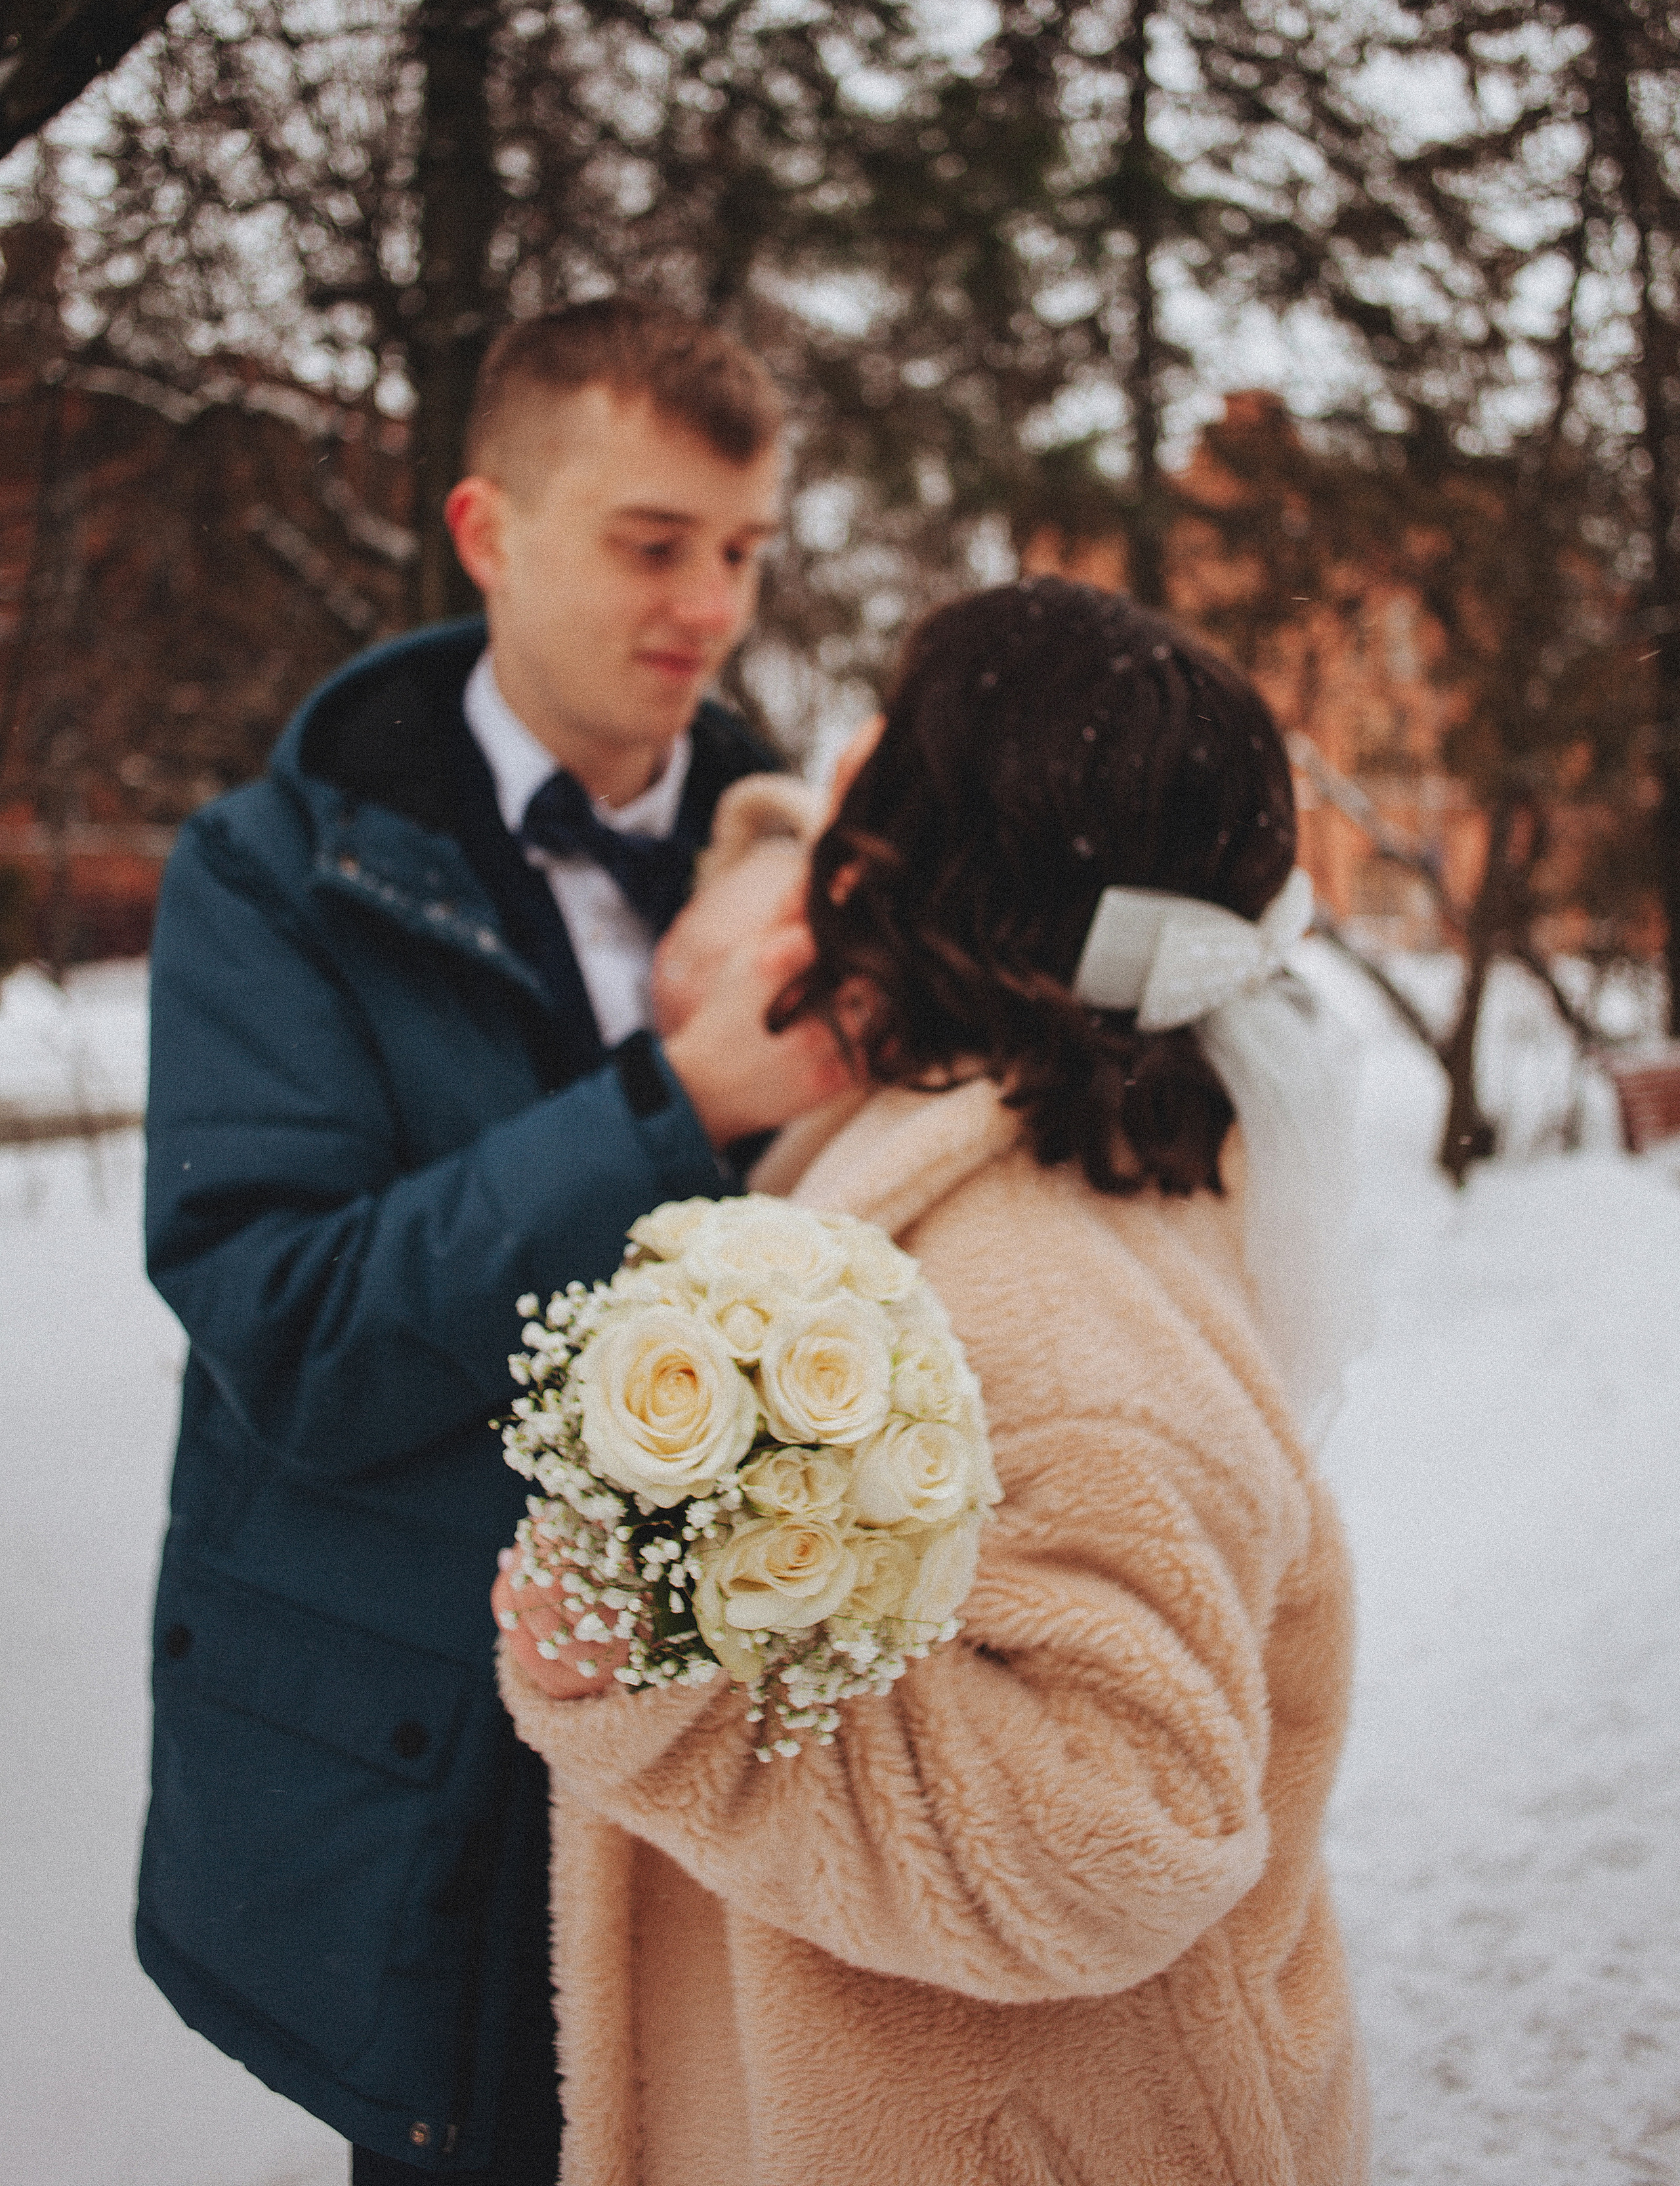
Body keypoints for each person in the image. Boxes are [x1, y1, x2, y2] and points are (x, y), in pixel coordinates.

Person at [498, 578, 1368, 2186]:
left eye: (883, 748)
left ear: (937, 845)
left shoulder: (1045, 1290)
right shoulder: (1020, 1138)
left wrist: (675, 1696)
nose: (840, 775)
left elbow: (1113, 1835)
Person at [136, 297, 848, 2181]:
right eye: (652, 544)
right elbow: (291, 1329)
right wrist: (680, 1109)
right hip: (427, 1790)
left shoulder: (827, 886)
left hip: (752, 1802)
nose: (709, 608)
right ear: (487, 531)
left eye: (742, 553)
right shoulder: (265, 879)